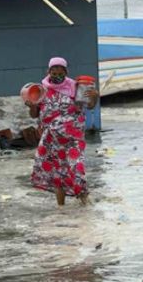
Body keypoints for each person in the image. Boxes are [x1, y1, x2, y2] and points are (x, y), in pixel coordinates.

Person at [27, 57, 98, 206]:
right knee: (57, 175)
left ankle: (86, 203)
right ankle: (61, 209)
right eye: (54, 72)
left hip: (73, 138)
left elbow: (89, 106)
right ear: (49, 72)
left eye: (61, 72)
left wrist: (94, 98)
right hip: (52, 139)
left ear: (66, 72)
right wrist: (32, 106)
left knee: (77, 168)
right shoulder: (42, 90)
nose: (57, 75)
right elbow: (35, 114)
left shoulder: (75, 87)